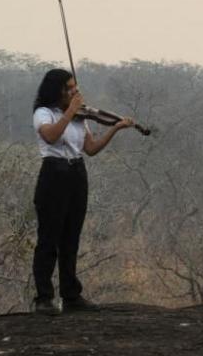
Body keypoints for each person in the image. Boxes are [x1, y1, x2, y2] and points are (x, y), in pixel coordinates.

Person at [30, 68, 136, 314]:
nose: (74, 92)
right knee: (49, 238)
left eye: (75, 88)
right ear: (56, 90)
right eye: (68, 88)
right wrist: (69, 111)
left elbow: (90, 148)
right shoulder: (43, 113)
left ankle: (71, 295)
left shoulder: (79, 116)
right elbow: (51, 137)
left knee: (71, 237)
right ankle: (44, 297)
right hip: (54, 172)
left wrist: (115, 128)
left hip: (77, 173)